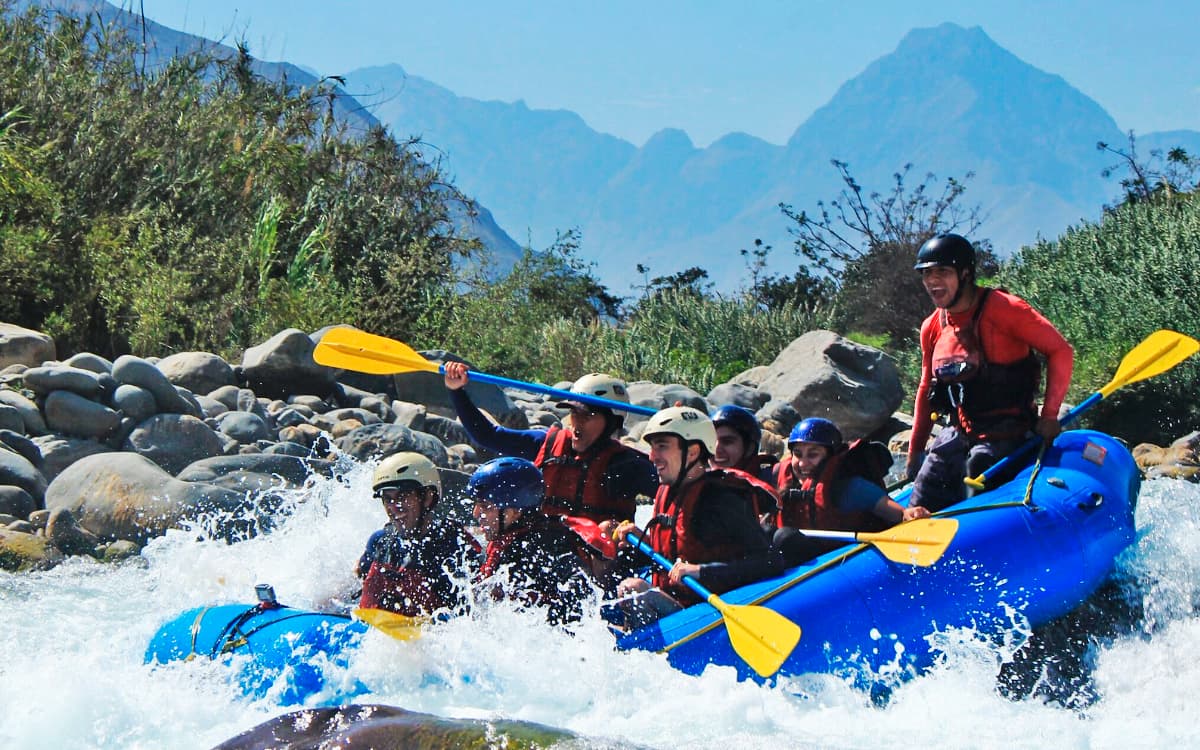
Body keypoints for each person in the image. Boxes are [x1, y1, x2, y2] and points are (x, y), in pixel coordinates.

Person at [906, 233, 1074, 512]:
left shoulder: (1005, 309)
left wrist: (1049, 416)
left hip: (1009, 433)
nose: (932, 281)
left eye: (942, 272)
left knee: (979, 467)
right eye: (926, 274)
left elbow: (1060, 351)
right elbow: (926, 389)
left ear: (965, 273)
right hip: (958, 434)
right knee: (919, 499)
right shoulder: (932, 327)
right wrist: (915, 452)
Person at [610, 406, 783, 628]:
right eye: (653, 448)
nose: (652, 457)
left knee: (632, 589)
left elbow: (770, 562)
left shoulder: (721, 499)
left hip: (705, 614)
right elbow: (674, 552)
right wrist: (641, 540)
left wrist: (701, 572)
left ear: (692, 452)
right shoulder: (670, 492)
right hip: (678, 603)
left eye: (662, 447)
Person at [444, 364, 658, 524]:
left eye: (589, 414)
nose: (577, 421)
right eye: (574, 412)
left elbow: (677, 497)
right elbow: (487, 436)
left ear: (612, 422)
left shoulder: (630, 466)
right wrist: (456, 391)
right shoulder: (546, 445)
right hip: (546, 554)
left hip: (597, 561)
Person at [773, 418, 929, 566]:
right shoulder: (780, 480)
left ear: (830, 456)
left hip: (839, 560)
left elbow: (898, 513)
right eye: (797, 454)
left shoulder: (849, 488)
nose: (802, 463)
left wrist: (909, 514)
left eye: (813, 455)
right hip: (804, 558)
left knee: (785, 538)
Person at [468, 456, 596, 625]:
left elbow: (581, 585)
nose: (475, 514)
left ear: (514, 512)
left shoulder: (542, 546)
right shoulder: (503, 542)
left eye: (485, 506)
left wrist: (554, 626)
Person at [356, 452, 480, 616]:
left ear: (428, 498)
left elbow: (474, 610)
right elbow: (357, 584)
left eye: (403, 496)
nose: (393, 507)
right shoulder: (380, 541)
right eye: (387, 499)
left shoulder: (455, 544)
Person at [710, 404, 779, 525]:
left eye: (727, 442)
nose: (716, 449)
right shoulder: (693, 482)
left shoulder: (771, 482)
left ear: (750, 448)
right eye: (711, 441)